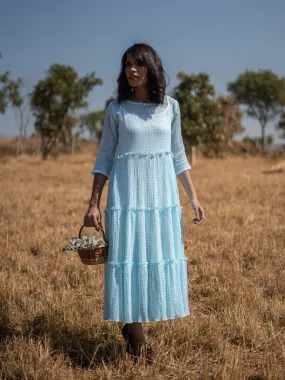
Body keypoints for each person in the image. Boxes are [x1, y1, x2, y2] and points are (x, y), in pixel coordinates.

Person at [84, 43, 205, 364]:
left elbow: (178, 154)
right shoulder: (117, 110)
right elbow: (104, 158)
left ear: (152, 68)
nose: (131, 70)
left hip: (161, 199)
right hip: (127, 200)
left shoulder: (171, 108)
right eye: (126, 65)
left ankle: (134, 324)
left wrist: (193, 198)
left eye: (138, 64)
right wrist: (93, 202)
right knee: (128, 260)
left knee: (153, 260)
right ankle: (137, 339)